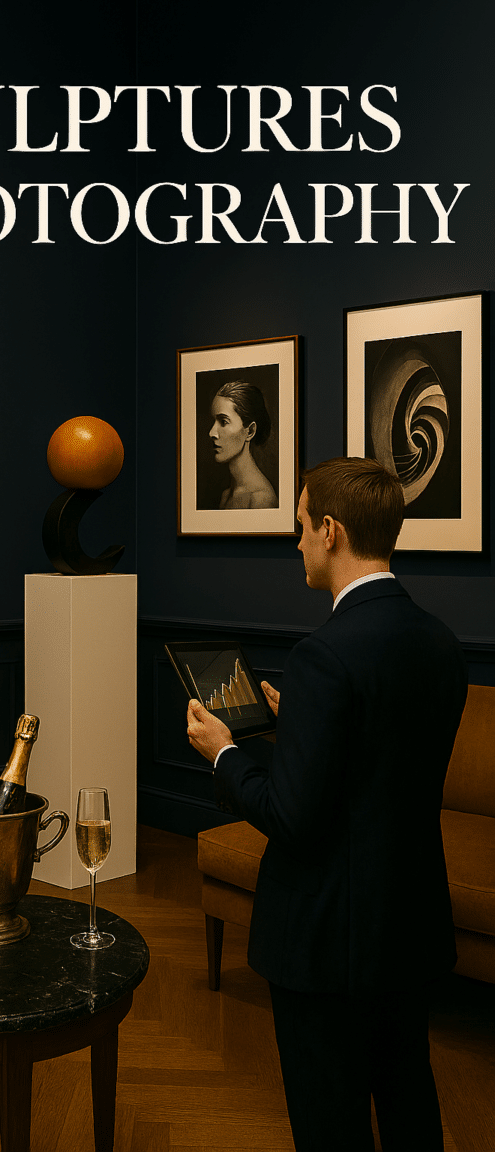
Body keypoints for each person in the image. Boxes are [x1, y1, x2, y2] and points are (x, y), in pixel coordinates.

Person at [186, 457, 467, 1152]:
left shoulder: (325, 654)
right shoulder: (437, 640)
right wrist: (302, 718)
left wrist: (224, 752)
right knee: (408, 1098)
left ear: (332, 530)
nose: (299, 542)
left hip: (327, 941)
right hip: (411, 922)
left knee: (329, 1122)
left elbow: (291, 817)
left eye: (303, 526)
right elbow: (383, 758)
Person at [209, 381, 278, 509]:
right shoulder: (226, 496)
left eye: (223, 422)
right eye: (214, 421)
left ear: (250, 431)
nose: (212, 433)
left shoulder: (261, 499)